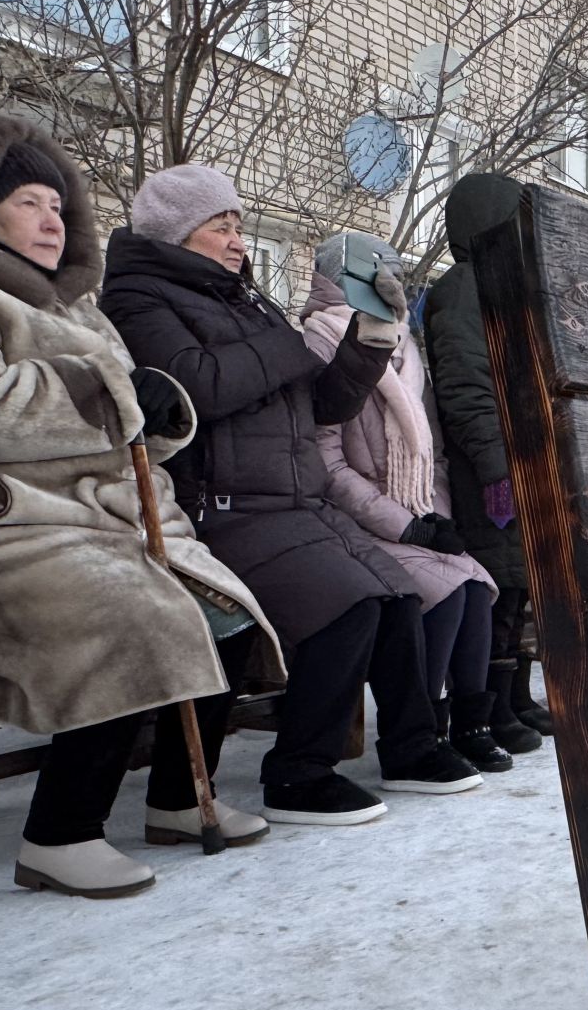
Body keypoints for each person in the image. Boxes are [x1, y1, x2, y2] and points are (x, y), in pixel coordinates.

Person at [0, 111, 284, 898]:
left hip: (90, 514)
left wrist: (157, 416)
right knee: (134, 617)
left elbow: (124, 422)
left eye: (59, 205)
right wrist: (111, 396)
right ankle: (60, 834)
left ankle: (175, 799)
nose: (51, 219)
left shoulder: (76, 309)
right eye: (30, 201)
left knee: (226, 614)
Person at [100, 165, 482, 826]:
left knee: (395, 593)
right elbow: (199, 386)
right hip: (221, 507)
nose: (238, 240)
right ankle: (300, 772)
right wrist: (285, 347)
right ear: (176, 232)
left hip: (296, 502)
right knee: (349, 603)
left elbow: (322, 404)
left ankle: (413, 747)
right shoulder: (140, 299)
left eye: (240, 225)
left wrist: (372, 335)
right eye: (221, 226)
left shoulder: (244, 303)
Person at [302, 232, 529, 772]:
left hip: (416, 510)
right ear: (339, 276)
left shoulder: (406, 342)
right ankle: (422, 730)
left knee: (478, 585)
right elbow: (328, 465)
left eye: (394, 268)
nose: (389, 277)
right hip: (357, 518)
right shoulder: (319, 338)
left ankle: (470, 724)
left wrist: (435, 519)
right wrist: (408, 528)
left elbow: (435, 453)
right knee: (446, 591)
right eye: (374, 268)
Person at [422, 174, 551, 752]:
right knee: (499, 580)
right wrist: (500, 468)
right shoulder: (463, 290)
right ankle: (490, 709)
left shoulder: (507, 285)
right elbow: (466, 386)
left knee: (523, 582)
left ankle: (516, 696)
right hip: (489, 469)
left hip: (521, 455)